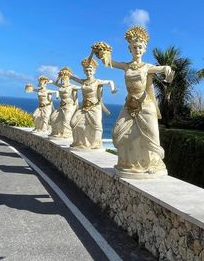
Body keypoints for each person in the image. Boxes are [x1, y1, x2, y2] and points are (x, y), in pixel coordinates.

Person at [92, 25, 174, 178]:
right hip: (129, 104)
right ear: (130, 49)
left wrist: (167, 69)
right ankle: (128, 163)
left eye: (140, 47)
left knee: (152, 137)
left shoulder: (147, 67)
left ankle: (152, 164)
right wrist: (102, 54)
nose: (137, 49)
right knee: (117, 133)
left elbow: (162, 68)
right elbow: (110, 63)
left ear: (144, 49)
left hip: (145, 105)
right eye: (134, 47)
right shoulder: (126, 66)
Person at [69, 57, 116, 149]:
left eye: (90, 70)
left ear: (94, 71)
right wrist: (66, 75)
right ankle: (78, 142)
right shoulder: (83, 81)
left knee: (97, 125)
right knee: (73, 122)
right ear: (84, 71)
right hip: (83, 107)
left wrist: (113, 89)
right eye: (86, 70)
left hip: (94, 107)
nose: (88, 72)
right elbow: (73, 78)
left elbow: (110, 81)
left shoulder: (97, 81)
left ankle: (96, 143)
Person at [48, 67, 79, 139]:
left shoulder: (72, 86)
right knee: (53, 118)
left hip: (70, 105)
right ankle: (57, 132)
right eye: (62, 79)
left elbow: (81, 87)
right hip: (62, 106)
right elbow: (56, 83)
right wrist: (55, 79)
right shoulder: (61, 86)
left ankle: (67, 135)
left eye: (65, 78)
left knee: (66, 120)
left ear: (69, 78)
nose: (64, 80)